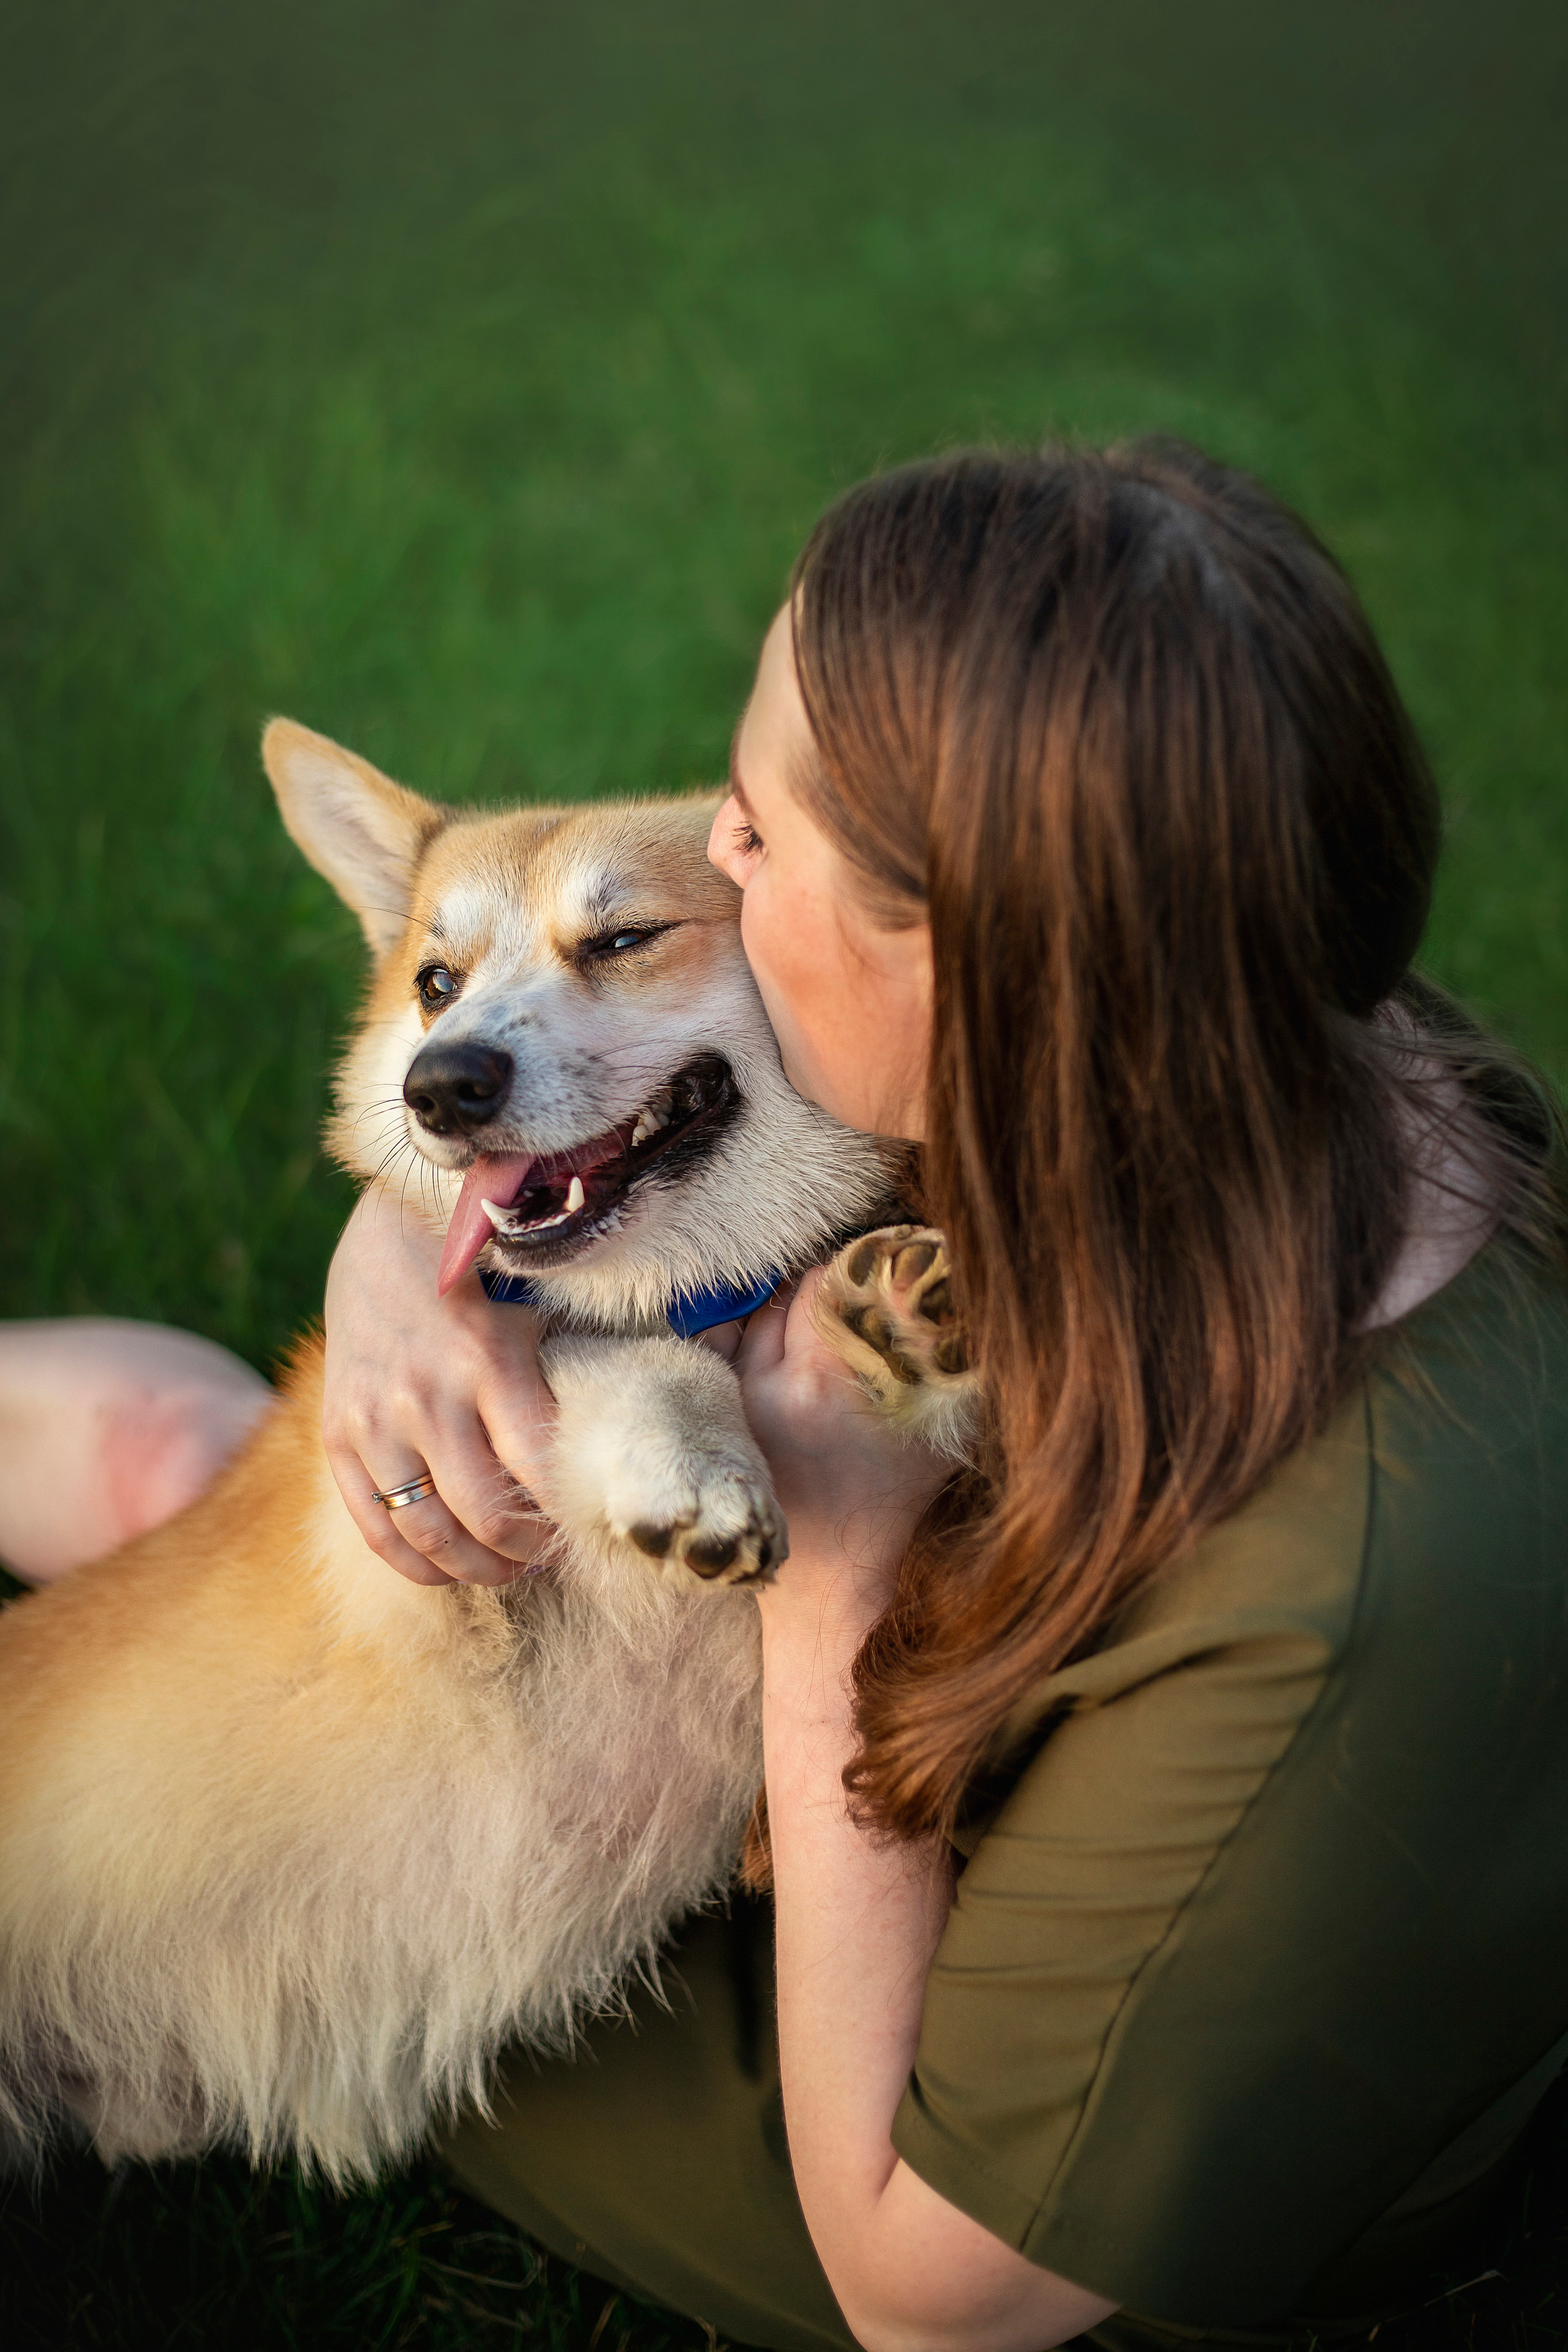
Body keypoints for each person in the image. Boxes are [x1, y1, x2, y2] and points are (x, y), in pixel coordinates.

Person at [4, 440, 1567, 2352]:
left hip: (862, 2097)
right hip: (697, 1745)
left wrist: (830, 1566)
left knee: (241, 1666)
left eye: (753, 832)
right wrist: (428, 1243)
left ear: (981, 947)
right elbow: (527, 1067)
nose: (721, 859)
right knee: (212, 1462)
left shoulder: (1338, 1602)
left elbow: (936, 2302)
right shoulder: (1245, 1025)